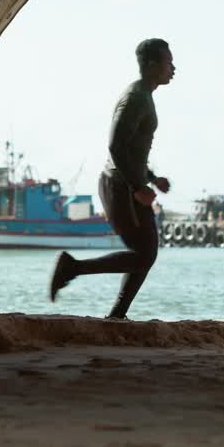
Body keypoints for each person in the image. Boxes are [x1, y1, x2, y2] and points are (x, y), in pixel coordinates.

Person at [48, 38, 175, 319]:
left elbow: (131, 150)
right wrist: (138, 187)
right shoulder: (135, 97)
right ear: (153, 64)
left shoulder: (145, 94)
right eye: (168, 62)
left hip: (128, 183)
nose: (173, 68)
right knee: (145, 254)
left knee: (146, 253)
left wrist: (152, 178)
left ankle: (117, 314)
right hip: (120, 186)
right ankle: (72, 268)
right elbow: (116, 146)